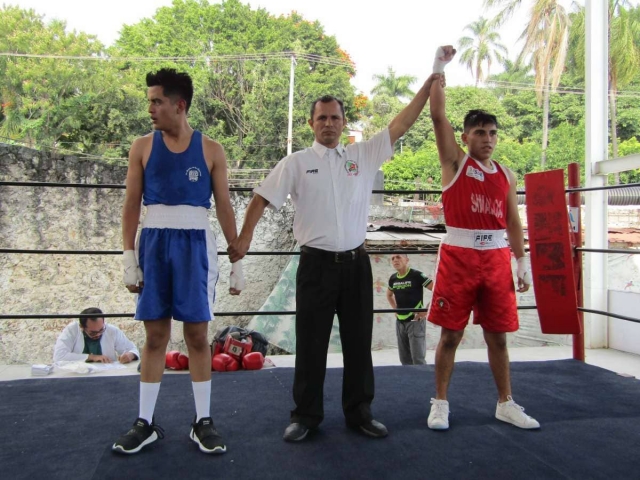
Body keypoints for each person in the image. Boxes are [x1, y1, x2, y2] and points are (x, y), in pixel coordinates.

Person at [228, 58, 448, 442]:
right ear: (312, 124)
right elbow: (261, 198)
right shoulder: (295, 163)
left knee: (358, 343)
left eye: (334, 117)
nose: (328, 123)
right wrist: (245, 240)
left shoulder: (361, 156)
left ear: (343, 123)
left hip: (356, 264)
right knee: (311, 343)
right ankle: (306, 416)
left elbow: (401, 124)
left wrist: (430, 82)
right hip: (315, 266)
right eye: (322, 118)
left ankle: (360, 413)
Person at [112, 68, 244, 455]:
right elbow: (130, 207)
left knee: (198, 336)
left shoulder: (211, 149)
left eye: (157, 101)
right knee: (155, 336)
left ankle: (202, 421)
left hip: (195, 246)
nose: (150, 108)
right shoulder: (141, 147)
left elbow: (223, 206)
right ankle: (145, 423)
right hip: (154, 243)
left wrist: (237, 259)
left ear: (179, 105)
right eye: (150, 101)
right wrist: (128, 257)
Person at [426, 46, 539, 430]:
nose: (488, 139)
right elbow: (437, 115)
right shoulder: (455, 162)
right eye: (480, 132)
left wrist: (521, 261)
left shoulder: (506, 173)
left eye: (492, 133)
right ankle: (439, 402)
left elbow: (513, 220)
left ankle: (505, 402)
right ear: (466, 136)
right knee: (451, 334)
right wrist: (439, 68)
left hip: (495, 258)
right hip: (458, 254)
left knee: (499, 336)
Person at [386, 254, 433, 365]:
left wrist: (426, 310)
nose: (395, 260)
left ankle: (421, 381)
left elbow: (437, 291)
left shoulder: (417, 275)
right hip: (400, 322)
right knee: (404, 360)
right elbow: (389, 295)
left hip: (415, 321)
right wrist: (395, 310)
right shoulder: (393, 278)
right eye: (392, 258)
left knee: (418, 359)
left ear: (407, 260)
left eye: (398, 257)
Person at [53, 307, 139, 364]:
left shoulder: (111, 330)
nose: (98, 334)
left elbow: (132, 349)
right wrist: (91, 357)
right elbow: (59, 356)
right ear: (82, 327)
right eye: (93, 333)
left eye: (101, 330)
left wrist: (130, 355)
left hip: (107, 375)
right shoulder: (72, 330)